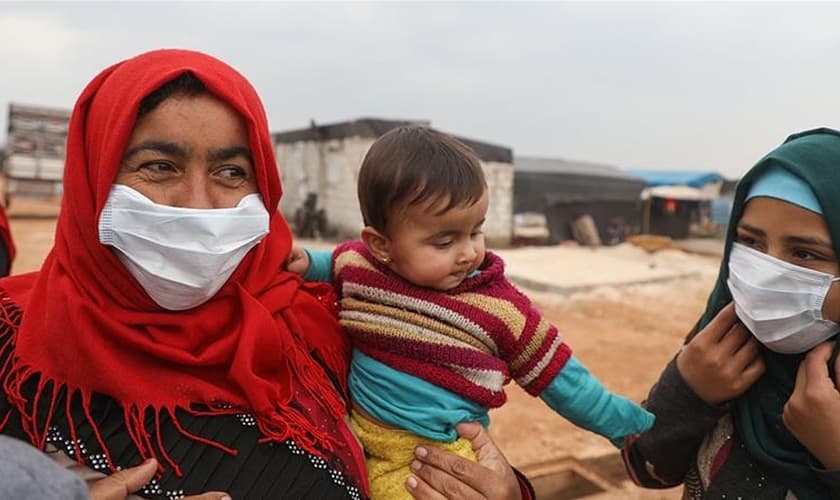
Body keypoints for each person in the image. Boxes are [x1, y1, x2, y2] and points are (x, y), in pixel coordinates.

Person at [0, 49, 530, 500]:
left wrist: (507, 490)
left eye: (232, 172)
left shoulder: (326, 320)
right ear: (93, 174)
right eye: (159, 166)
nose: (201, 205)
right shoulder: (12, 343)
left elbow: (432, 444)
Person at [287, 125, 655, 499]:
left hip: (435, 458)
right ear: (381, 245)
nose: (468, 253)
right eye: (445, 241)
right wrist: (305, 262)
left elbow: (562, 378)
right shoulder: (360, 266)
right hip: (359, 439)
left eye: (476, 232)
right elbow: (331, 263)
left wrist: (622, 426)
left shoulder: (499, 309)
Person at [622, 128, 840, 499]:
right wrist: (687, 393)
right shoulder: (721, 345)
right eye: (750, 242)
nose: (765, 275)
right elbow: (647, 469)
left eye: (804, 253)